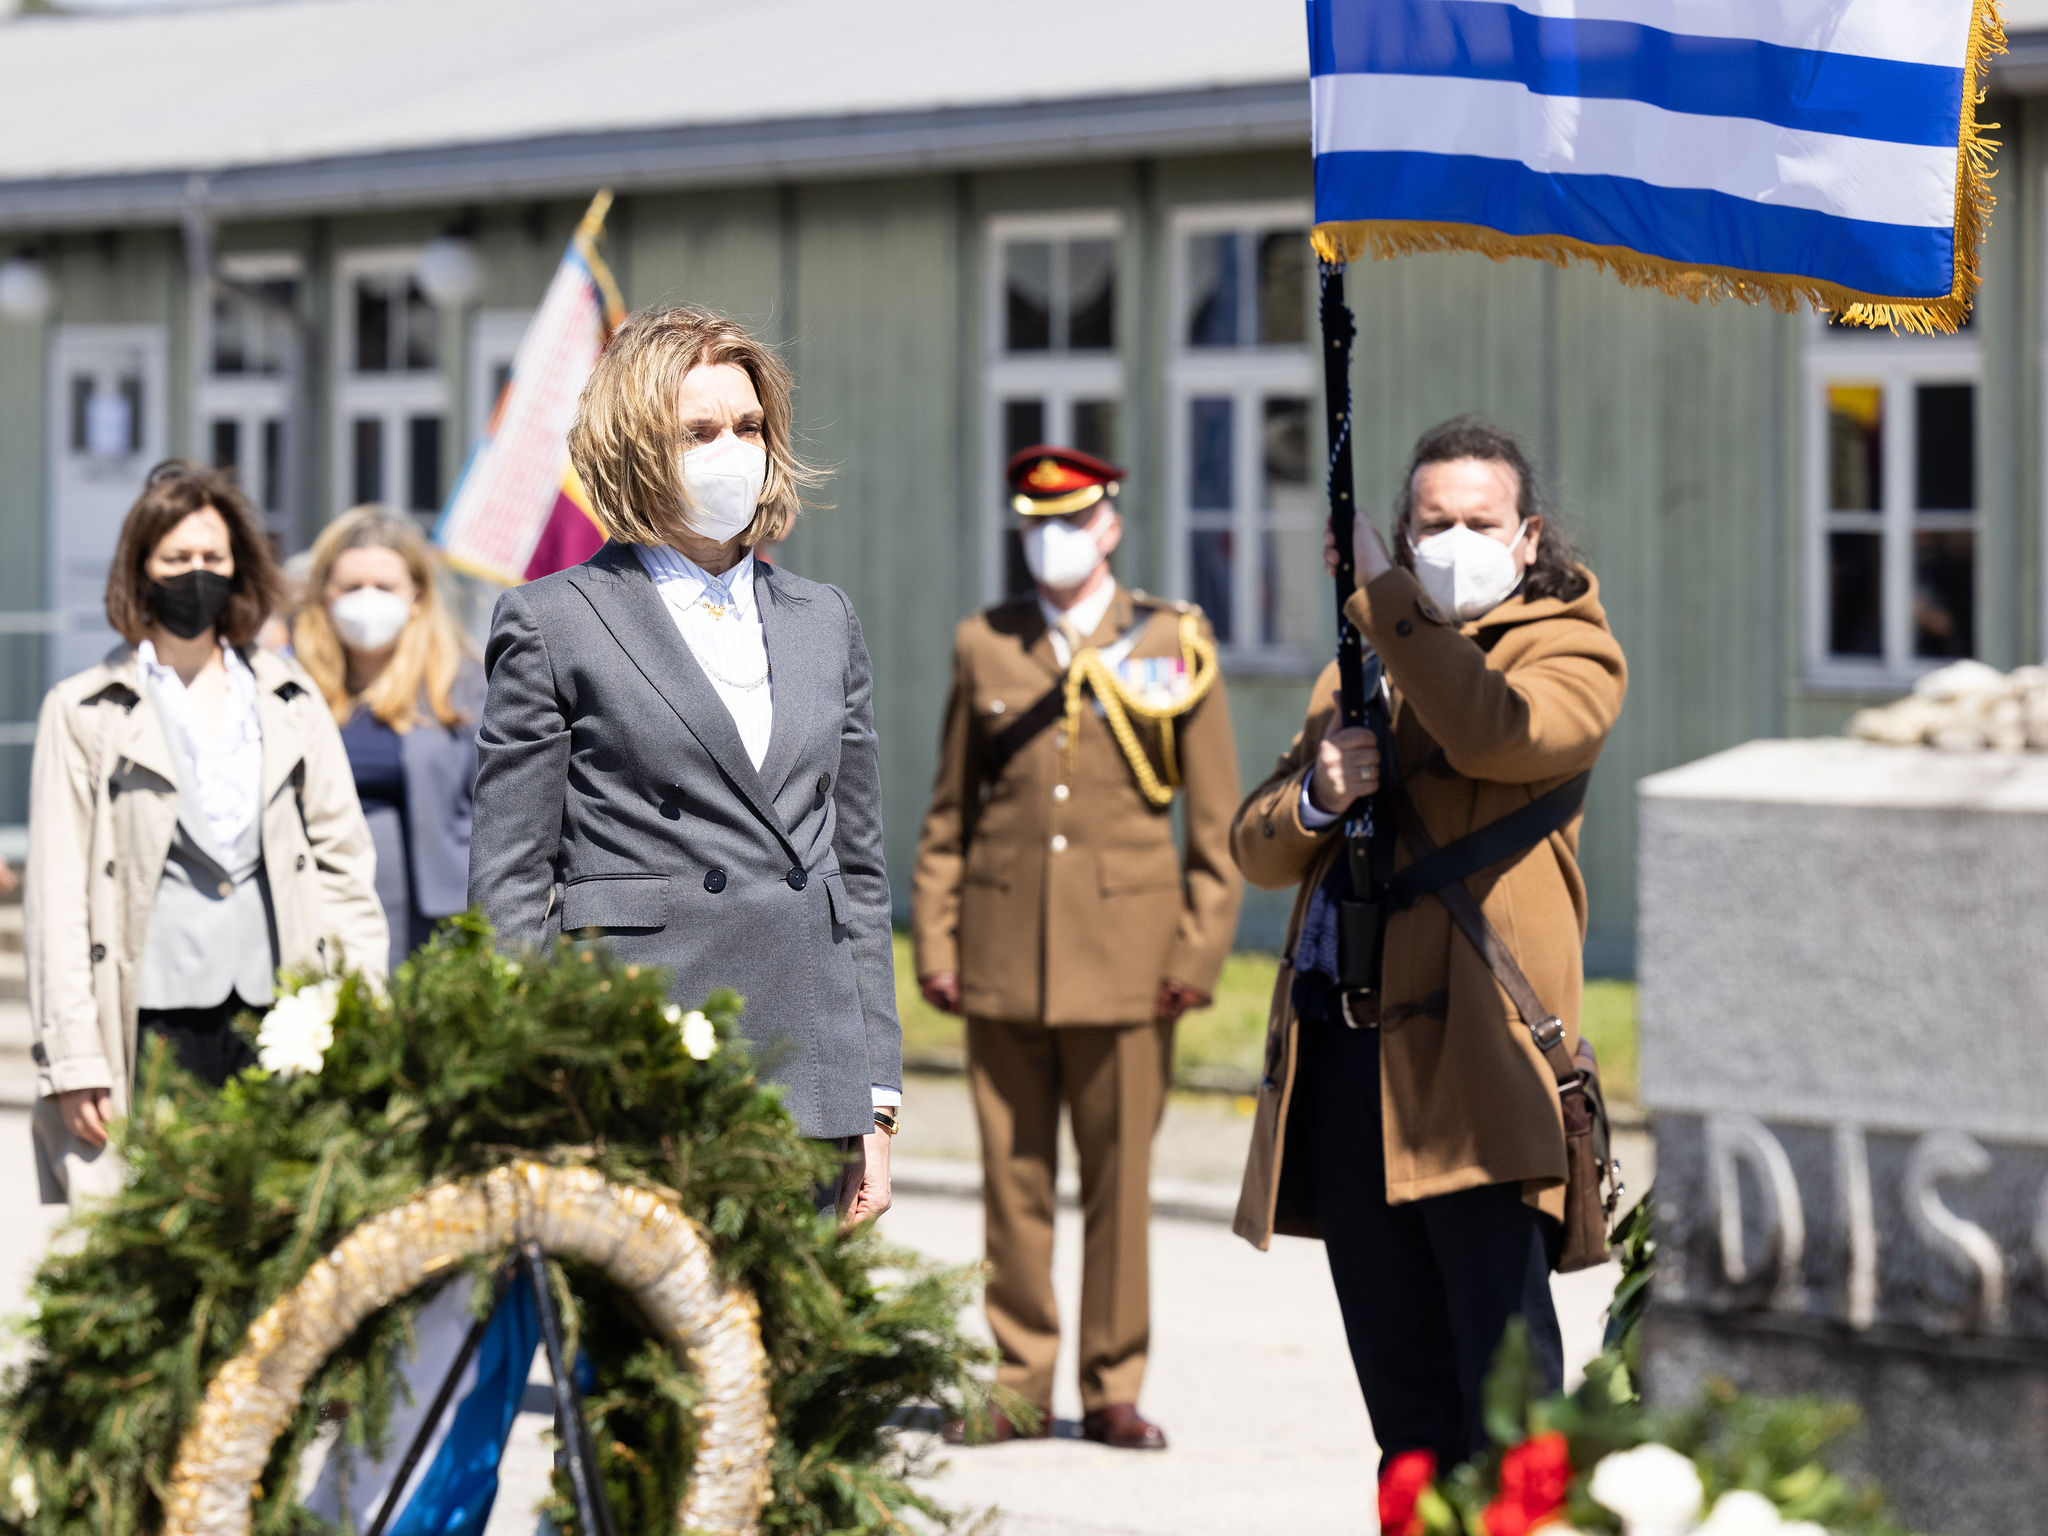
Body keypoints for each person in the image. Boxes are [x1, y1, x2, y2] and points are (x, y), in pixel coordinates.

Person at [1229, 417, 1626, 1477]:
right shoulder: (1360, 664)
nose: (1455, 541)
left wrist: (1381, 594)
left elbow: (1493, 729)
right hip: (1351, 1074)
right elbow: (1254, 845)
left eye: (1479, 523)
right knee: (1404, 1416)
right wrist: (1317, 796)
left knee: (1508, 1414)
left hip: (1481, 1078)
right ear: (1403, 533)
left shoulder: (1569, 650)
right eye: (1431, 521)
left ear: (1528, 535)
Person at [466, 306, 900, 1224]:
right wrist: (518, 1072)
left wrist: (876, 1092)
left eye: (748, 427)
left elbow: (857, 870)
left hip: (807, 1059)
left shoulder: (825, 618)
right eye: (697, 433)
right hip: (635, 1053)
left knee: (783, 1320)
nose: (731, 452)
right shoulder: (553, 620)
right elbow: (511, 878)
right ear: (634, 448)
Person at [911, 445, 1243, 1450]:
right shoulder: (985, 642)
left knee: (1118, 1184)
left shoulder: (1171, 642)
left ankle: (1111, 1386)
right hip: (1002, 955)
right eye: (1035, 522)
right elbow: (949, 813)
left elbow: (1216, 825)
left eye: (1069, 520)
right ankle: (1018, 1382)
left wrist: (1194, 956)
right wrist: (937, 938)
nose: (1050, 538)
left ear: (1108, 525)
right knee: (1011, 1186)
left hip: (1131, 963)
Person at [24, 460, 387, 1203]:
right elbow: (56, 899)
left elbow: (344, 867)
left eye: (213, 557)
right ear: (140, 570)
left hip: (281, 1011)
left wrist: (361, 1007)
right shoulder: (83, 710)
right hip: (150, 1018)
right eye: (177, 558)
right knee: (160, 1225)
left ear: (239, 567)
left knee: (281, 1224)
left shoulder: (291, 697)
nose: (197, 574)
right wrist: (74, 1058)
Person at [294, 506, 486, 974]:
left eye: (384, 587)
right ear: (323, 593)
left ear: (417, 595)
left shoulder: (463, 686)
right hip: (314, 908)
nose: (367, 600)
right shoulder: (290, 684)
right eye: (351, 587)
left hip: (432, 922)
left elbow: (500, 803)